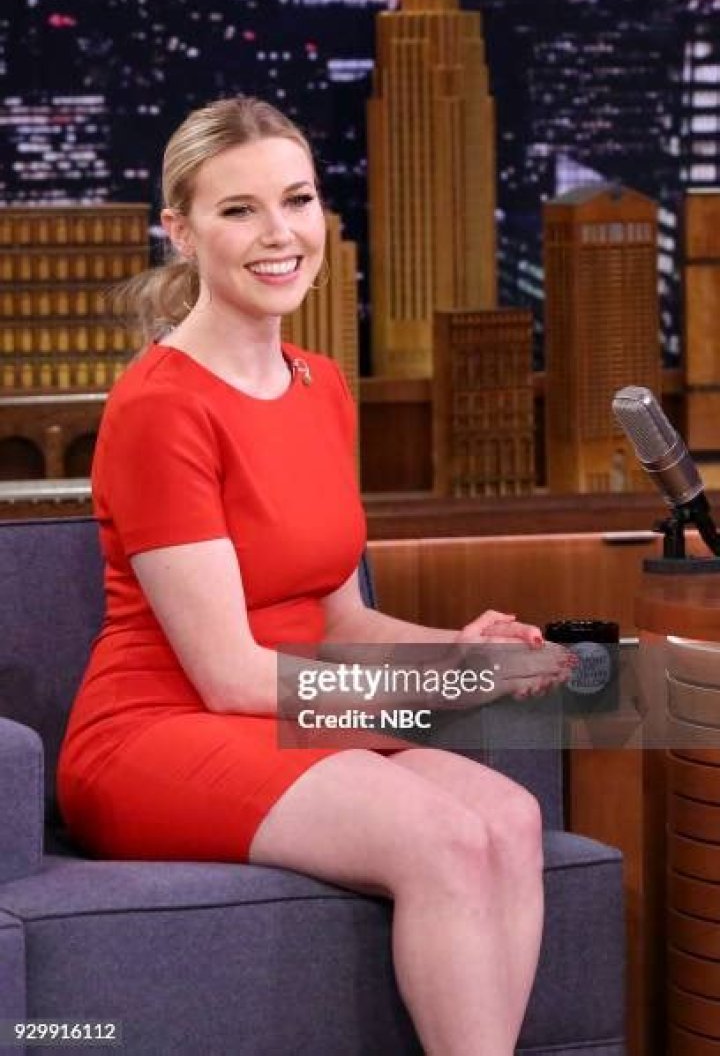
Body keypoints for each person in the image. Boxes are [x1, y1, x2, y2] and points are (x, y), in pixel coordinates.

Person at [57, 96, 573, 1056]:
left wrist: (465, 650)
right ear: (180, 231)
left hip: (281, 710)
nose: (279, 233)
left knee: (509, 815)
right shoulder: (160, 408)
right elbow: (231, 676)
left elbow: (338, 617)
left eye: (296, 200)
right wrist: (440, 692)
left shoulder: (321, 385)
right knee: (446, 837)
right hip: (157, 730)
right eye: (238, 209)